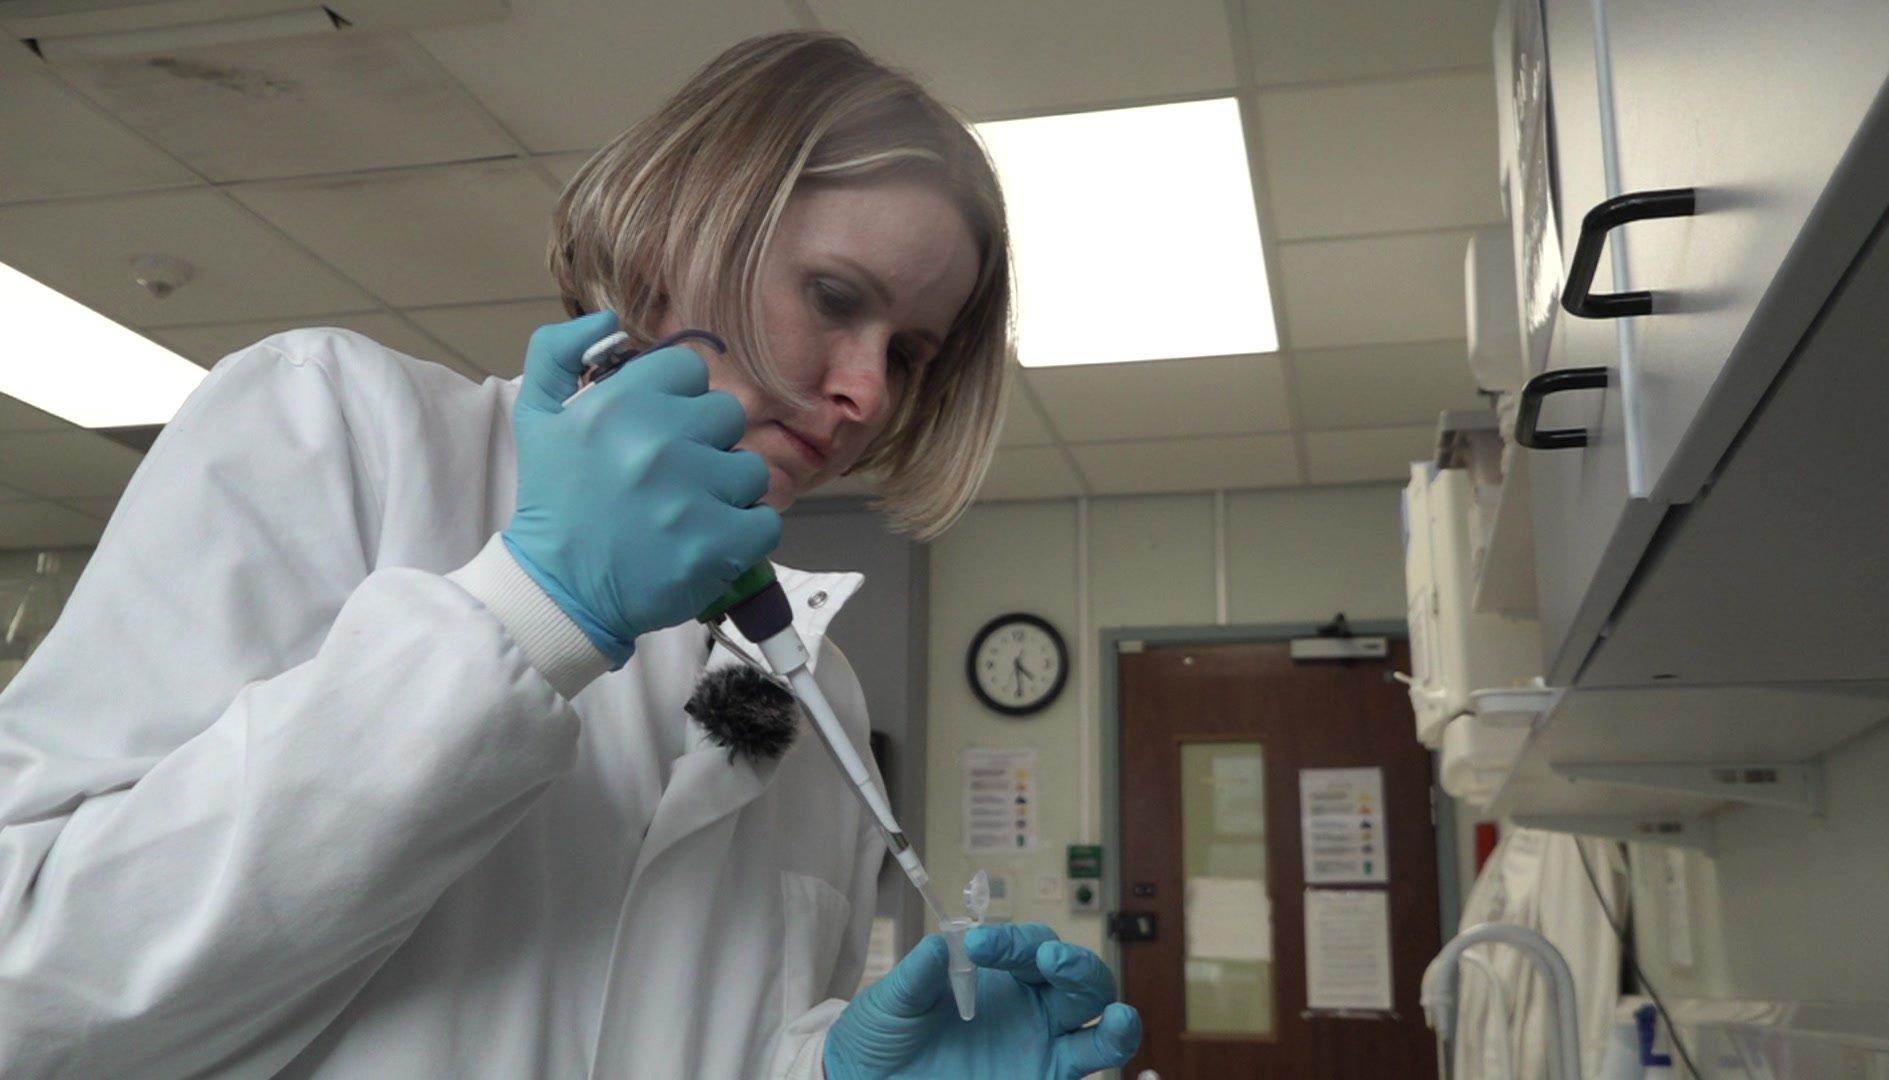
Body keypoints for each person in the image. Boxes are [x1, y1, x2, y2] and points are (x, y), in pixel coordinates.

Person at [0, 31, 1141, 1079]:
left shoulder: (816, 688)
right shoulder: (341, 433)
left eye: (913, 353)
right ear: (673, 233)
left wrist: (829, 1071)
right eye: (835, 298)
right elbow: (33, 988)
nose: (866, 389)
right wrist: (532, 613)